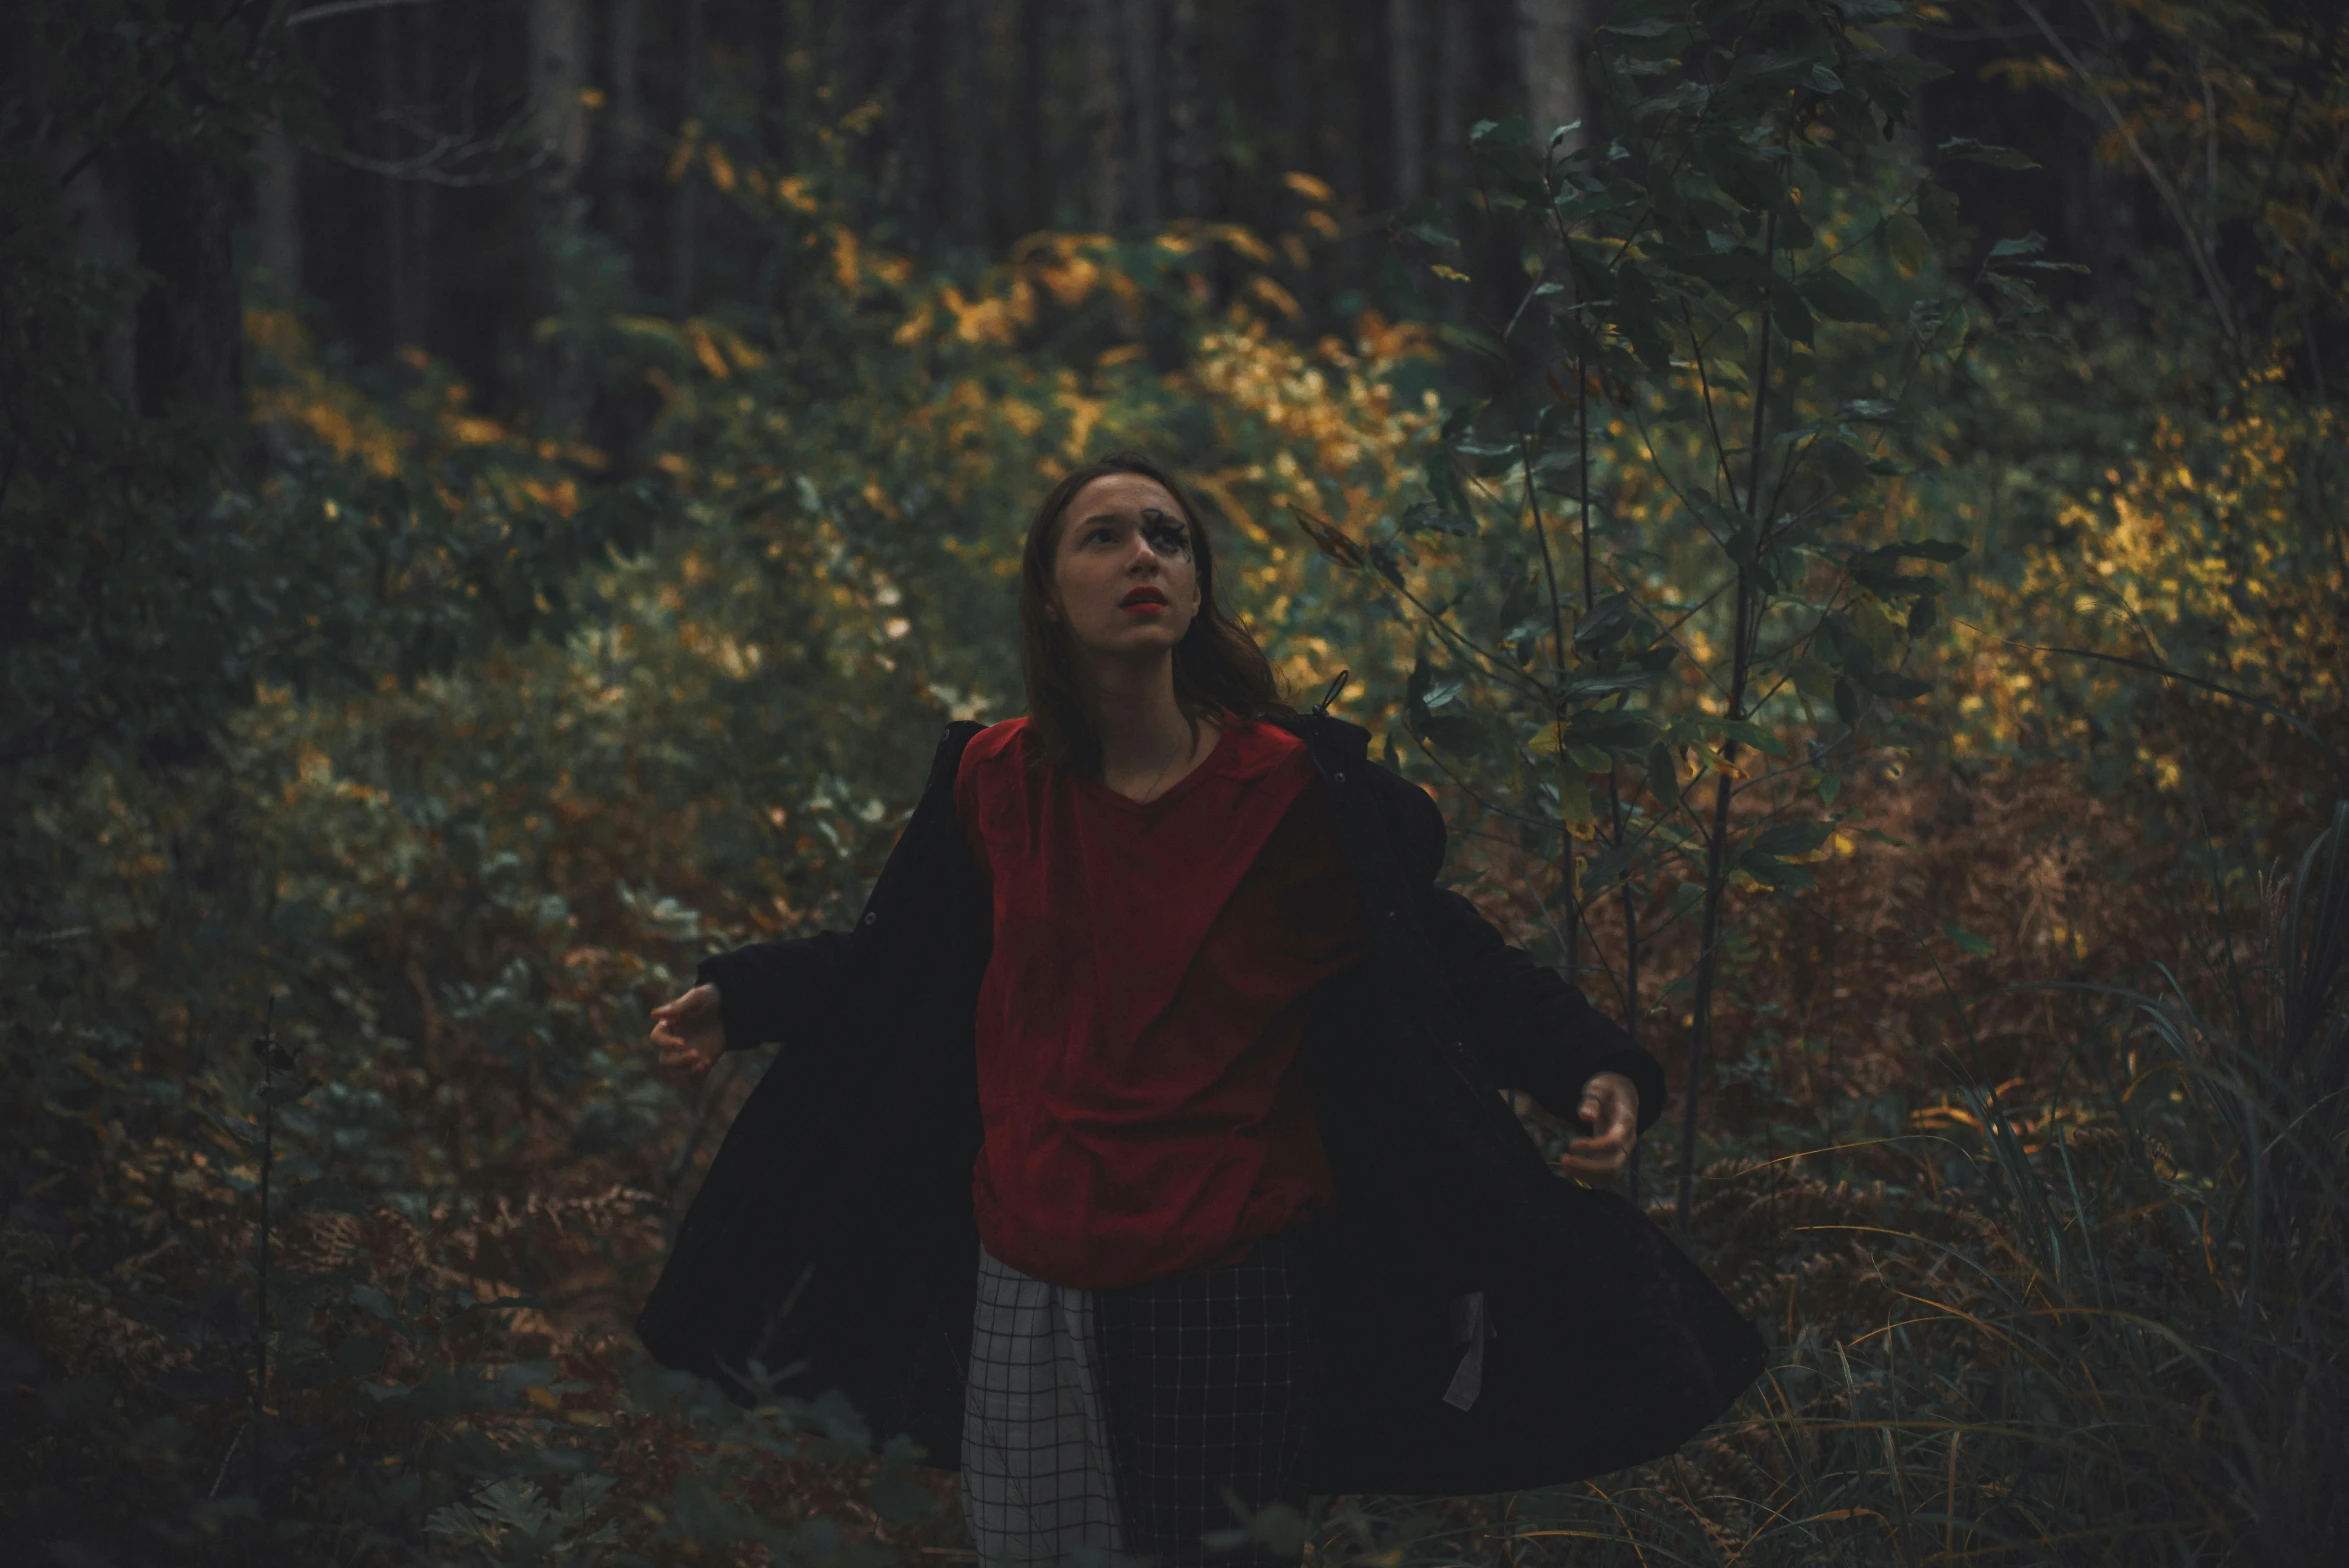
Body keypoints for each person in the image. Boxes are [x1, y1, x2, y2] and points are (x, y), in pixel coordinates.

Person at [637, 454, 1762, 1566]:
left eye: (1168, 536)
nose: (1144, 555)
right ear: (1047, 588)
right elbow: (907, 960)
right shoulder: (995, 781)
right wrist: (743, 994)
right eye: (1106, 534)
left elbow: (1446, 956)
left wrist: (1590, 1064)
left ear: (1197, 584)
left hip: (1222, 1276)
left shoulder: (1288, 794)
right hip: (1027, 1274)